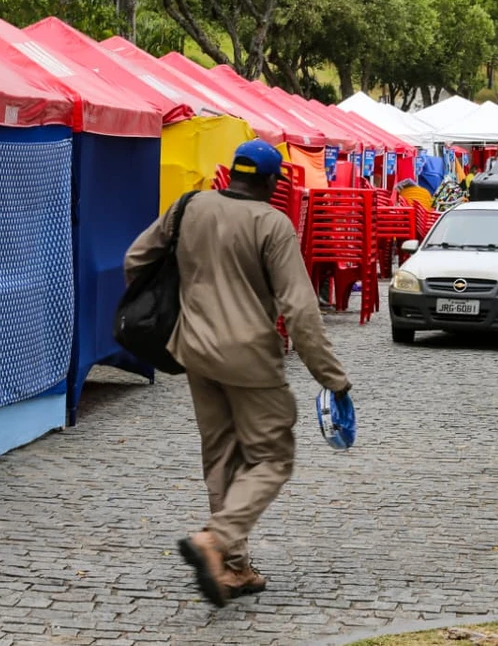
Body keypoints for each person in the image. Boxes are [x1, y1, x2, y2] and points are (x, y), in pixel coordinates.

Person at [123, 140, 351, 607]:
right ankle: (216, 539)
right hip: (249, 360)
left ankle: (233, 567)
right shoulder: (272, 224)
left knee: (221, 457)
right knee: (272, 458)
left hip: (194, 352)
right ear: (270, 182)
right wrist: (332, 378)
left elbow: (135, 260)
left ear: (233, 173)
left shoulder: (189, 207)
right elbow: (301, 311)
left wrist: (180, 307)